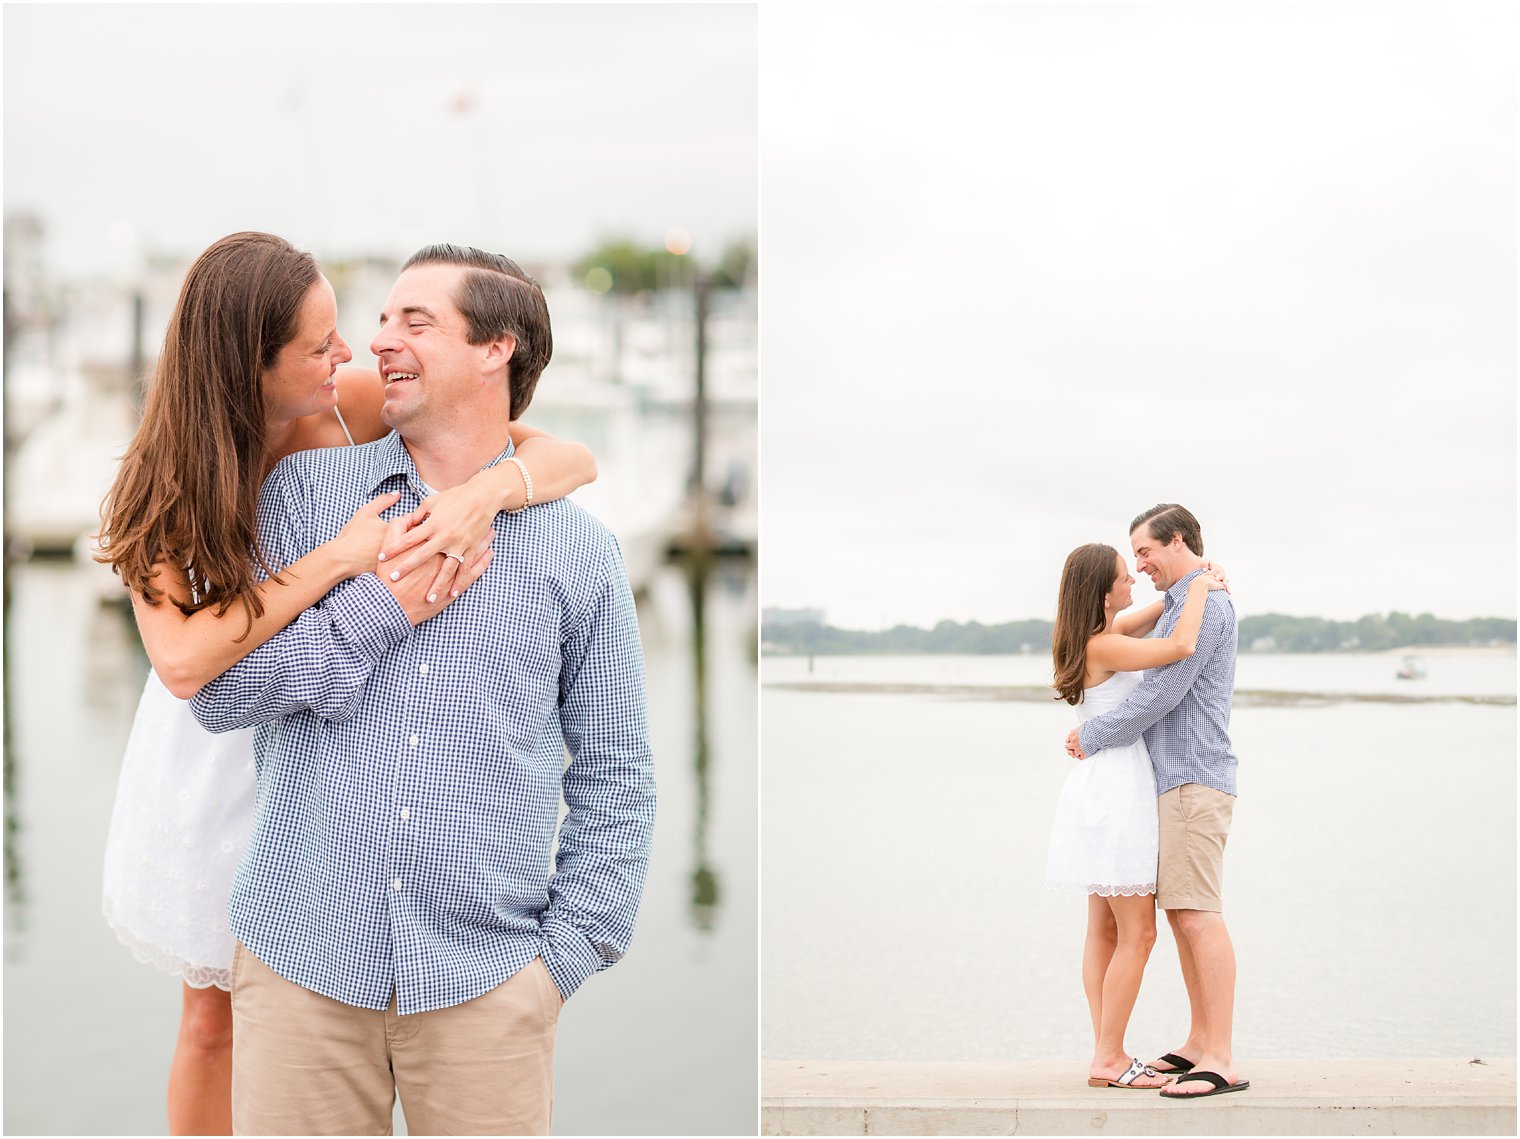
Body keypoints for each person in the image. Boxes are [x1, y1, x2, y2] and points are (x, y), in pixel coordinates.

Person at [97, 231, 598, 1135]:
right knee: (215, 1013)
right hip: (219, 719)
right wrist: (338, 559)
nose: (349, 355)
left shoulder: (345, 401)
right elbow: (182, 663)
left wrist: (486, 495)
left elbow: (568, 456)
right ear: (251, 365)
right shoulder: (160, 476)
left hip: (340, 721)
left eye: (342, 333)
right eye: (319, 345)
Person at [1065, 503, 1248, 1100]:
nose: (1139, 566)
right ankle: (1197, 1042)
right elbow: (1148, 639)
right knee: (1179, 915)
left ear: (1175, 541)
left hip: (1193, 776)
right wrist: (1187, 590)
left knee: (1196, 914)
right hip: (1162, 781)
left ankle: (1219, 1056)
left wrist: (1089, 735)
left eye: (1143, 552)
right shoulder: (1179, 600)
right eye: (1129, 561)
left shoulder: (1207, 601)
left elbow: (1163, 693)